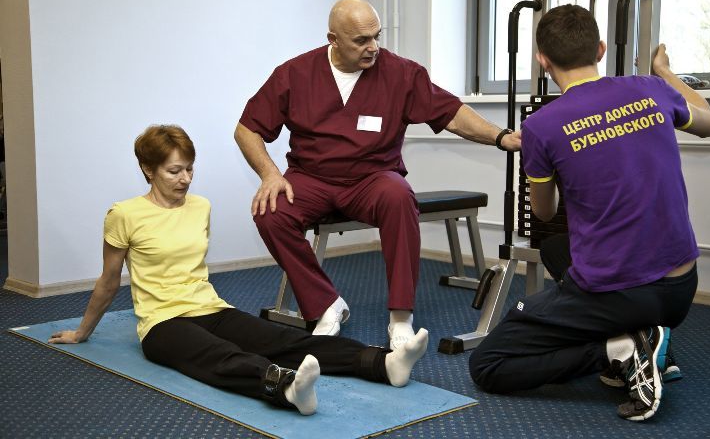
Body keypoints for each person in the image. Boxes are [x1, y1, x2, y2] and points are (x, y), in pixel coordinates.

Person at [49, 125, 429, 416]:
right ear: (147, 170)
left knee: (284, 341)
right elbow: (109, 280)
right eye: (174, 171)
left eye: (190, 169)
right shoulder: (124, 214)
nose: (185, 179)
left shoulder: (200, 206)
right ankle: (285, 388)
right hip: (162, 323)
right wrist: (83, 332)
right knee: (220, 356)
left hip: (211, 308)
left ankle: (383, 363)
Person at [468, 4, 710, 421]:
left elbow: (544, 213)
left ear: (542, 60)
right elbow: (709, 123)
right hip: (682, 287)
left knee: (488, 365)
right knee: (558, 251)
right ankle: (646, 336)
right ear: (600, 49)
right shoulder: (649, 88)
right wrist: (664, 71)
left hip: (621, 293)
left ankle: (617, 351)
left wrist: (554, 163)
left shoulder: (541, 127)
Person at [234, 0, 521, 349]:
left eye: (377, 37)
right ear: (333, 39)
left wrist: (500, 136)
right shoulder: (294, 73)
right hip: (311, 177)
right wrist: (270, 174)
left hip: (373, 178)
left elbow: (451, 114)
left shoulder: (402, 73)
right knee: (271, 210)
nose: (373, 47)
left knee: (399, 196)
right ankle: (326, 305)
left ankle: (401, 317)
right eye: (361, 41)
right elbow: (247, 129)